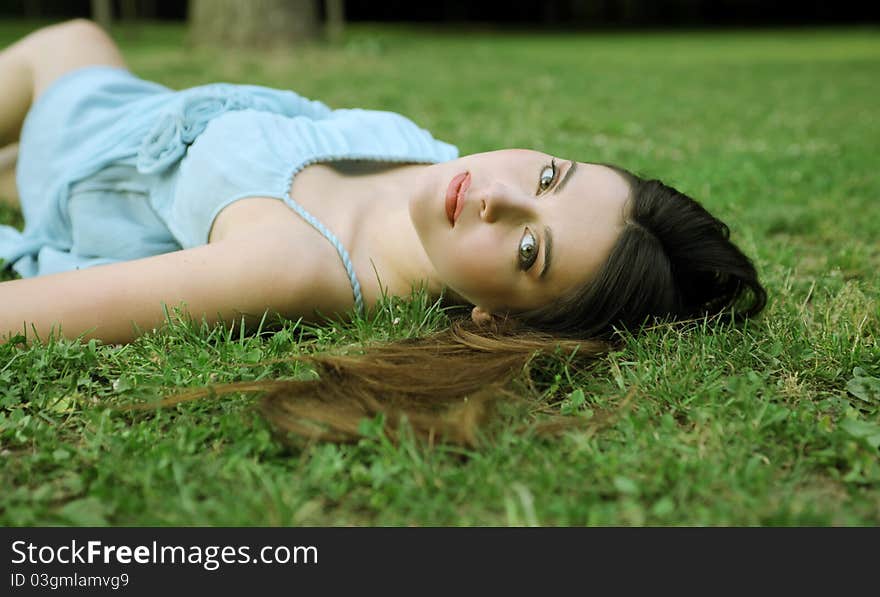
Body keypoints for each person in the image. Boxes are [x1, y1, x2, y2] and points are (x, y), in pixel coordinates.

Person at [0, 20, 766, 445]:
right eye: (548, 176)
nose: (496, 196)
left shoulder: (293, 263)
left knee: (64, 42)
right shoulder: (430, 164)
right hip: (136, 109)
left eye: (529, 251)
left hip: (74, 150)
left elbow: (27, 315)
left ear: (497, 317)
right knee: (79, 37)